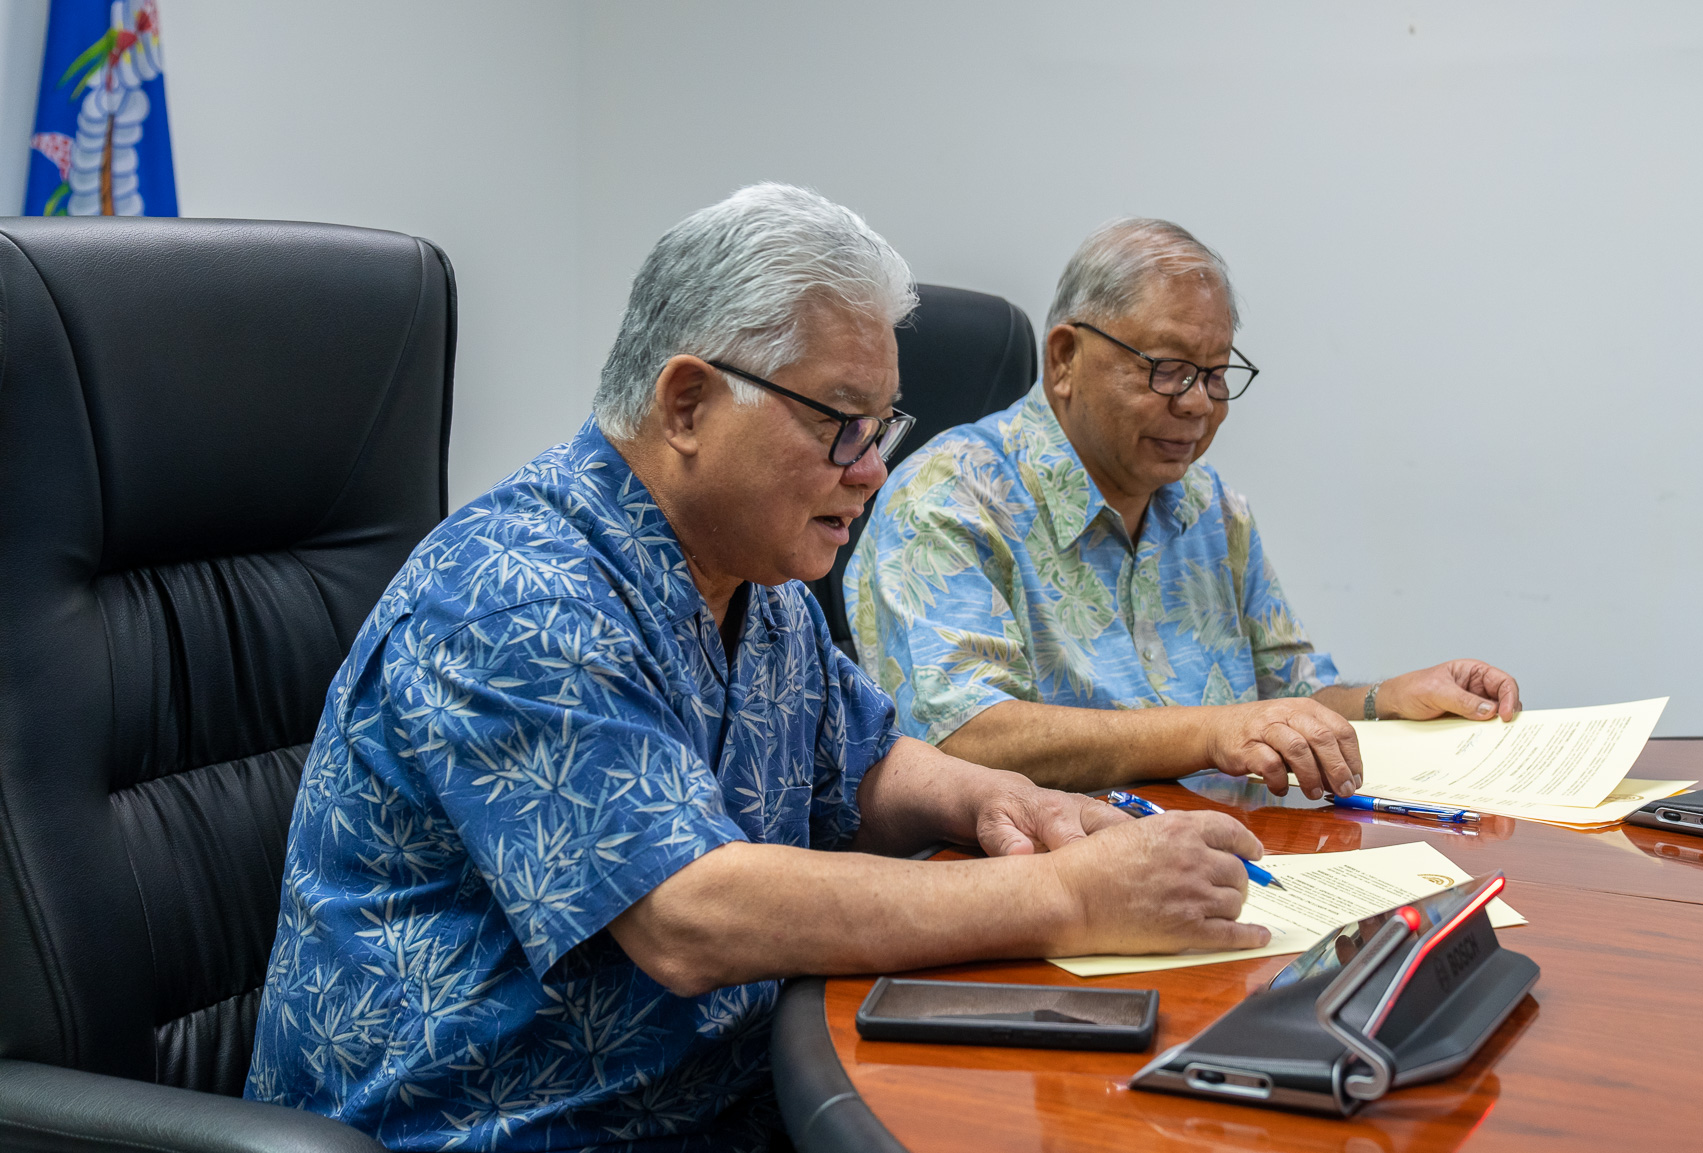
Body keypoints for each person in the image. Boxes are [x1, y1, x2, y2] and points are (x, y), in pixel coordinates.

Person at [243, 186, 1271, 1152]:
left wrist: (1016, 804)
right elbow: (691, 914)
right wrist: (1065, 895)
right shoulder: (515, 590)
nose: (870, 469)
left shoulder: (758, 578)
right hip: (494, 1129)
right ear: (687, 403)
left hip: (728, 1106)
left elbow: (863, 766)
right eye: (838, 423)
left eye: (882, 428)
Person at [847, 218, 1522, 799]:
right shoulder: (947, 496)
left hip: (1233, 859)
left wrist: (1389, 701)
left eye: (1216, 373)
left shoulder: (1211, 507)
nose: (1197, 402)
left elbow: (1287, 694)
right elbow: (964, 738)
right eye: (1167, 368)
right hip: (1049, 887)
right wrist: (1214, 730)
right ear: (1064, 359)